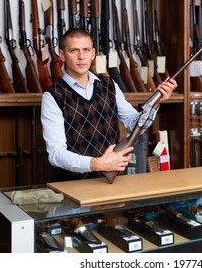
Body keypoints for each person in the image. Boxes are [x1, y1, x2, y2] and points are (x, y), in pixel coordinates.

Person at [41, 28, 177, 181]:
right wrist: (96, 164)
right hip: (72, 186)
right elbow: (56, 154)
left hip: (111, 181)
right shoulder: (53, 96)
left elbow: (134, 124)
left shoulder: (109, 85)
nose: (81, 57)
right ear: (62, 55)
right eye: (73, 50)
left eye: (86, 50)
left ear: (93, 54)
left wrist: (156, 102)